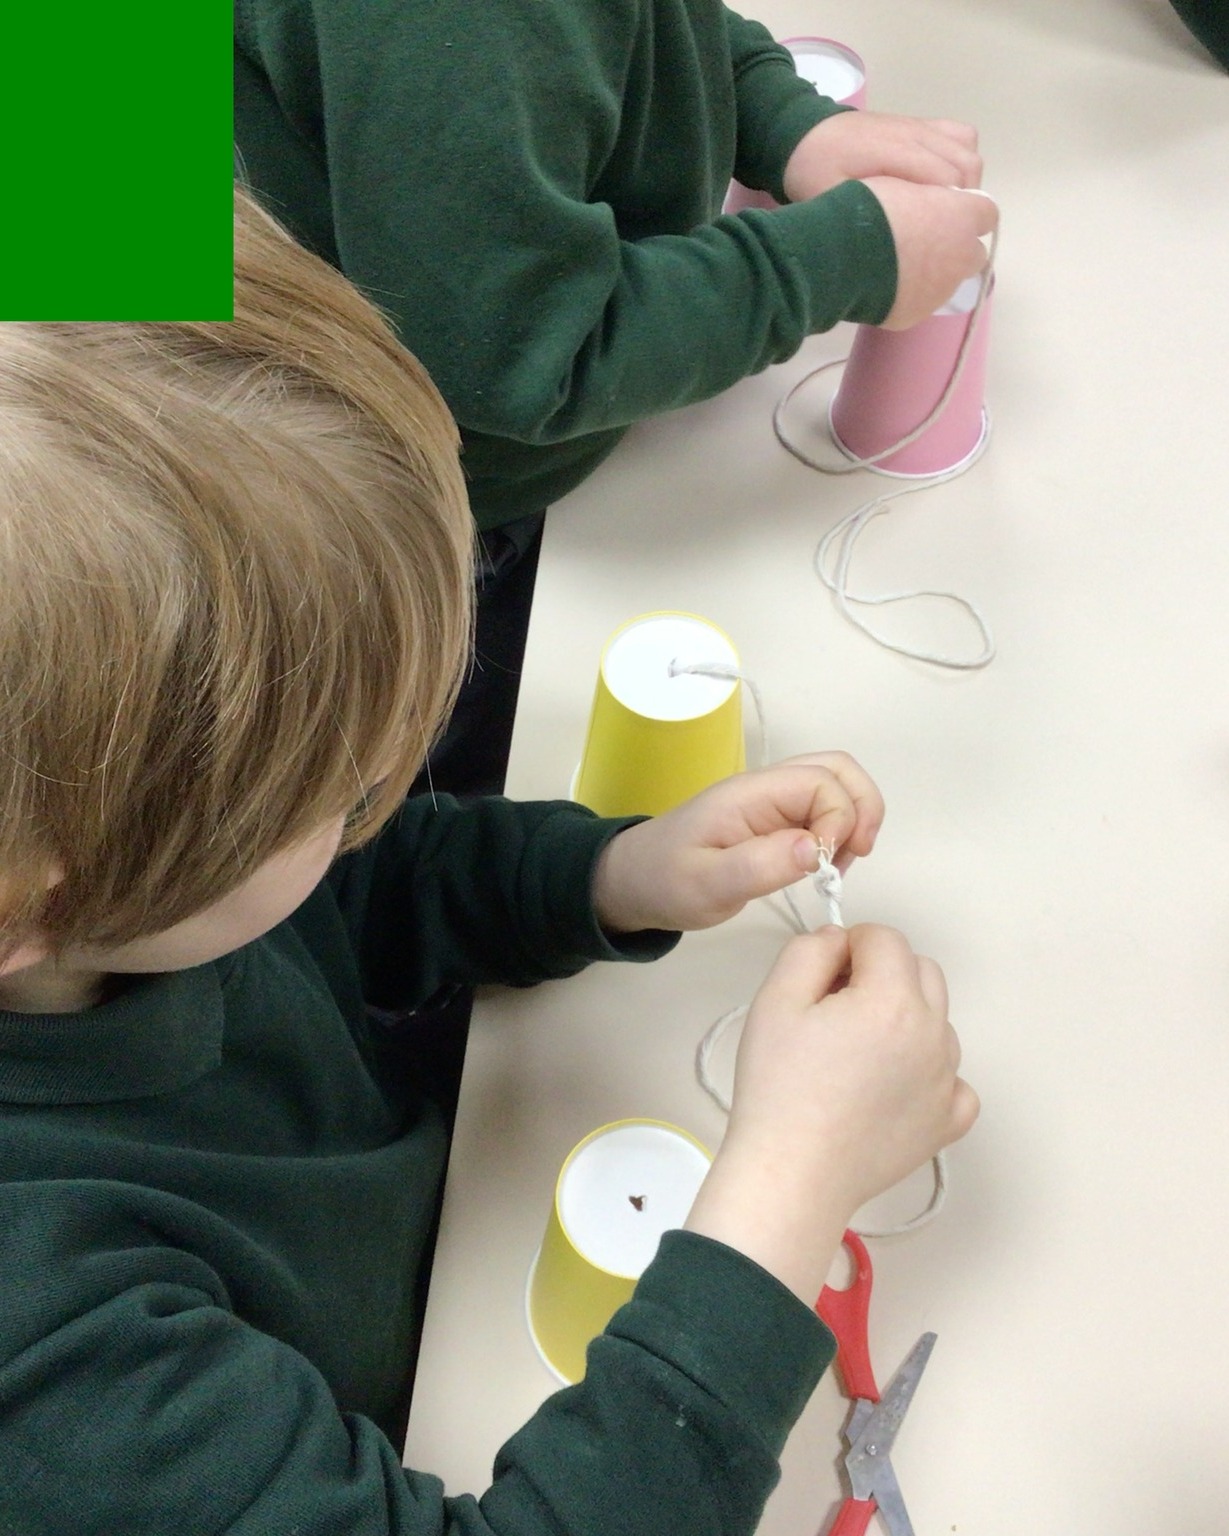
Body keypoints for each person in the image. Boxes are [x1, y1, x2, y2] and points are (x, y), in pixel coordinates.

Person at [0, 188, 978, 1536]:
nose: (375, 801)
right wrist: (791, 1188)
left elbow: (340, 894)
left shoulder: (102, 869)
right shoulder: (51, 1370)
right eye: (330, 793)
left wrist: (609, 875)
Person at [233, 0, 998, 798]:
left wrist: (780, 116)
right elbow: (522, 353)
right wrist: (836, 261)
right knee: (404, 804)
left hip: (240, 379)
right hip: (378, 514)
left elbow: (647, 38)